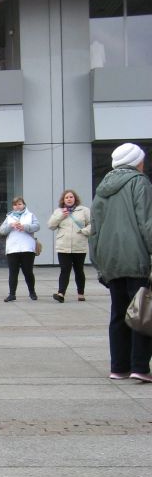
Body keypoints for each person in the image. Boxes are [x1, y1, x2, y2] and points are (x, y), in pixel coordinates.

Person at [89, 143, 152, 383]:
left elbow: (94, 230)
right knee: (142, 310)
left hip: (111, 261)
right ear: (137, 162)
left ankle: (119, 367)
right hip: (136, 258)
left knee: (118, 313)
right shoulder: (140, 182)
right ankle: (139, 366)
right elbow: (147, 222)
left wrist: (99, 262)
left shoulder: (102, 188)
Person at [48, 189, 91, 302]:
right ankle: (61, 293)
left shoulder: (84, 210)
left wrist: (84, 232)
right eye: (66, 197)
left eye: (71, 197)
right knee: (64, 270)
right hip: (63, 246)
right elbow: (51, 226)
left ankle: (81, 293)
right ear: (63, 200)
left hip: (79, 245)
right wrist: (61, 216)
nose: (69, 199)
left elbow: (92, 224)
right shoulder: (58, 211)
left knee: (79, 270)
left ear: (75, 199)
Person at [0, 196, 40, 301]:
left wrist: (25, 227)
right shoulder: (9, 217)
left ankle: (32, 292)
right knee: (13, 272)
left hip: (27, 248)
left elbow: (37, 226)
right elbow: (2, 230)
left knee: (28, 272)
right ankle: (12, 294)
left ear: (24, 205)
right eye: (15, 204)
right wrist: (11, 225)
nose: (17, 206)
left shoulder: (30, 215)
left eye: (20, 204)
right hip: (13, 249)